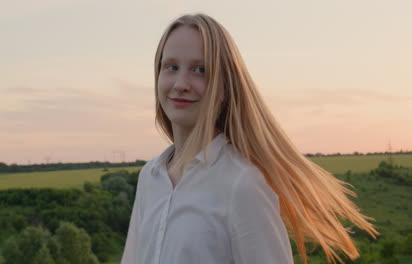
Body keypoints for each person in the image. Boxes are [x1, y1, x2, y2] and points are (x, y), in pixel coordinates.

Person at [121, 13, 379, 264]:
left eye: (200, 70)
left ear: (224, 87)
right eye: (171, 67)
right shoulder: (150, 177)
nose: (181, 83)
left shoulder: (242, 184)